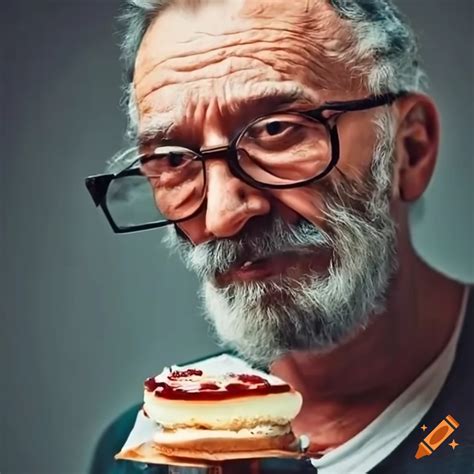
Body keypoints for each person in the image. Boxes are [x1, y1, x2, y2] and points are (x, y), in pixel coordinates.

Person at [86, 0, 473, 472]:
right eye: (172, 159)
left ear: (409, 149)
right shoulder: (144, 453)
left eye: (276, 130)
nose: (223, 216)